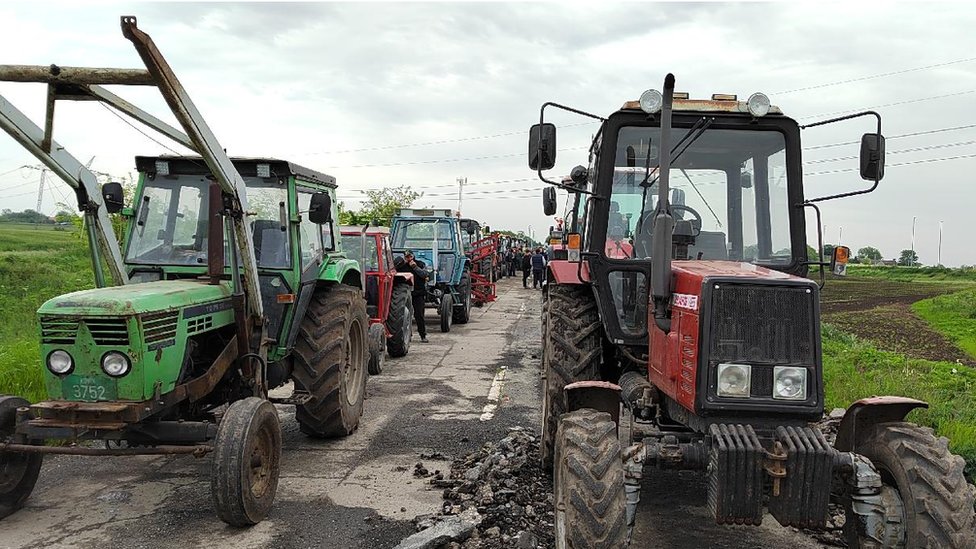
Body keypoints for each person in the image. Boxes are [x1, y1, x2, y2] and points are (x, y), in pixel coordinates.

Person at [395, 250, 429, 342]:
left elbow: (425, 274)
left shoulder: (420, 264)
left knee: (419, 315)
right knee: (405, 315)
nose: (409, 259)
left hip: (418, 293)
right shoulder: (402, 266)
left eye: (410, 256)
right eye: (406, 257)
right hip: (406, 294)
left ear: (413, 256)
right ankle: (407, 334)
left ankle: (423, 335)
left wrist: (415, 267)